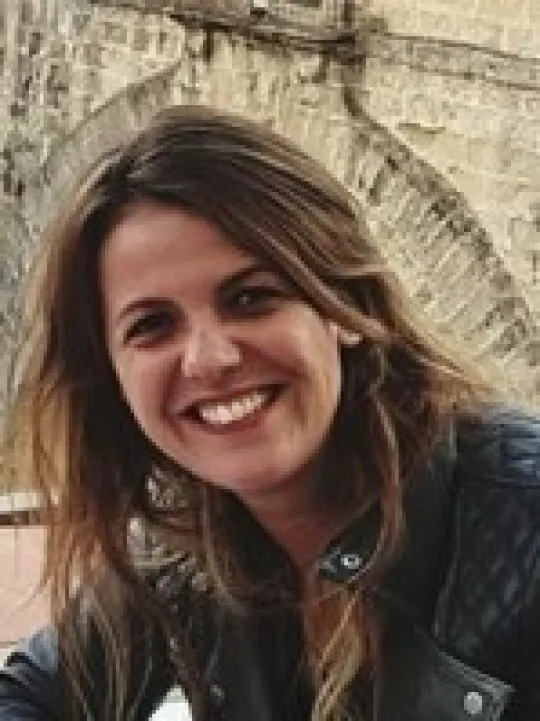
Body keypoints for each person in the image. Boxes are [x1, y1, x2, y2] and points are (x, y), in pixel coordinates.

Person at [1, 105, 539, 721]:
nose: (209, 359)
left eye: (251, 298)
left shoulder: (522, 531)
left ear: (344, 308)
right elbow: (30, 692)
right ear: (112, 376)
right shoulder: (192, 551)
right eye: (151, 326)